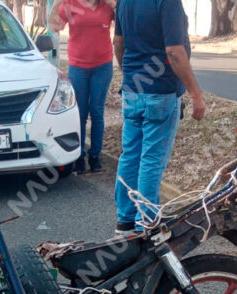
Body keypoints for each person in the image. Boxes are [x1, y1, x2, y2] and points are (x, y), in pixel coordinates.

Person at [112, 0, 205, 235]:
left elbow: (118, 43)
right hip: (161, 91)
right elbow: (174, 51)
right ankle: (146, 223)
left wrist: (132, 75)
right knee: (151, 159)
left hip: (133, 90)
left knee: (130, 155)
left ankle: (125, 221)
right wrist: (195, 94)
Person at [50, 0, 115, 174]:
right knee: (80, 113)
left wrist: (113, 3)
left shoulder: (107, 6)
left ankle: (95, 156)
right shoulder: (71, 5)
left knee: (97, 111)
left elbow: (126, 21)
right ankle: (79, 157)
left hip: (102, 66)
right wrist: (57, 4)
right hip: (78, 67)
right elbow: (54, 27)